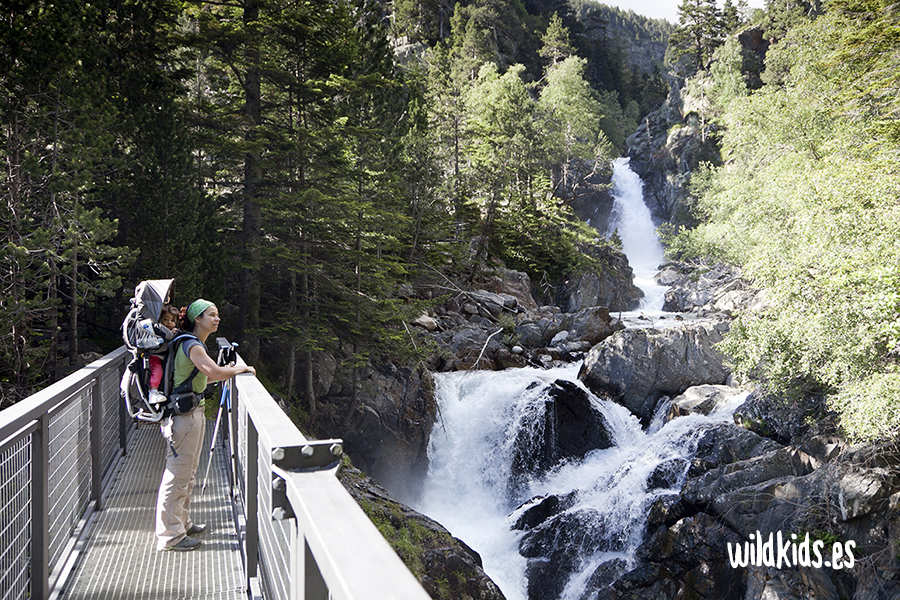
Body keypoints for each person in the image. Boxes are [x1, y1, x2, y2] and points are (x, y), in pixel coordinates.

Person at [155, 299, 256, 551]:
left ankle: (182, 523)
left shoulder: (191, 343)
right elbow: (215, 372)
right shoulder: (192, 344)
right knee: (178, 474)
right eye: (211, 314)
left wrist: (224, 372)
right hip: (185, 417)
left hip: (190, 413)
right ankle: (170, 536)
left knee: (187, 474)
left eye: (218, 314)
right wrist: (239, 369)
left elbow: (202, 378)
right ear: (197, 318)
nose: (217, 318)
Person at [147, 304, 180, 405]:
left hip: (163, 357)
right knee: (157, 371)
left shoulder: (171, 331)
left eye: (172, 321)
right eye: (165, 319)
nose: (169, 323)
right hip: (155, 356)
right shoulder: (158, 329)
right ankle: (153, 392)